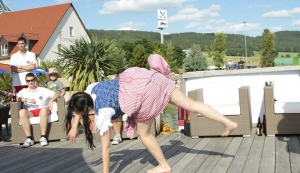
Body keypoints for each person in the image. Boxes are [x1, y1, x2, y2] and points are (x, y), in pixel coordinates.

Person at [65, 54, 238, 173]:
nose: (79, 117)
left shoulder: (103, 111)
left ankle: (163, 165)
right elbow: (80, 105)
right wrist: (74, 127)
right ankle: (228, 122)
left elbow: (106, 147)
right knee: (192, 104)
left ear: (88, 109)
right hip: (151, 78)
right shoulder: (91, 88)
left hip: (143, 92)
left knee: (143, 133)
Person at [17, 73, 60, 148]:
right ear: (26, 82)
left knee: (43, 109)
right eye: (28, 81)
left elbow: (57, 94)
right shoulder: (24, 91)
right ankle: (29, 138)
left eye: (32, 80)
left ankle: (43, 137)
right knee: (21, 112)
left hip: (43, 110)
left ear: (35, 80)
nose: (30, 82)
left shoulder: (42, 90)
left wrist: (51, 100)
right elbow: (15, 98)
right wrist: (27, 100)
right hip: (31, 112)